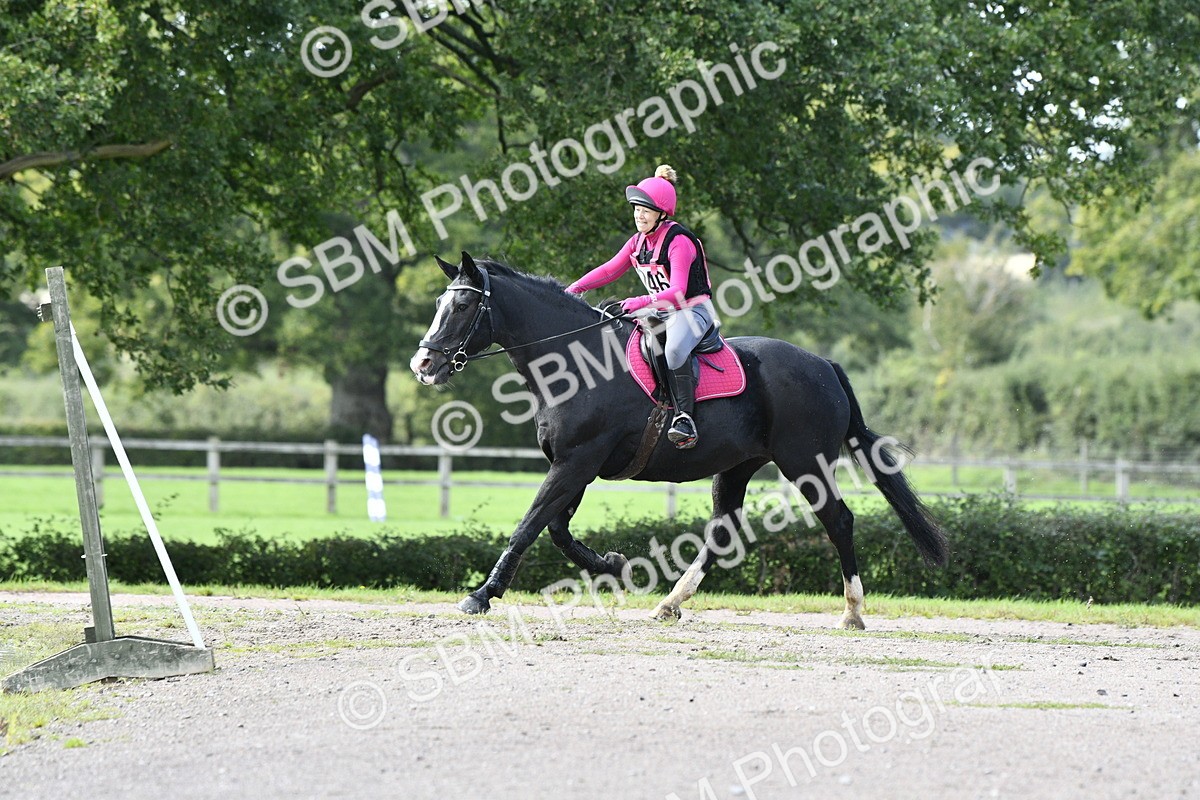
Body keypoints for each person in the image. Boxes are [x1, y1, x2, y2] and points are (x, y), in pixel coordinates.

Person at [566, 164, 717, 449]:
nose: (639, 215)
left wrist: (640, 302)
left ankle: (685, 418)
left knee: (673, 349)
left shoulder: (679, 241)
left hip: (693, 310)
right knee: (617, 334)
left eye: (646, 210)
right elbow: (609, 270)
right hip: (662, 311)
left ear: (662, 214)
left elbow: (678, 292)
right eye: (636, 209)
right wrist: (574, 289)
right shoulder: (638, 242)